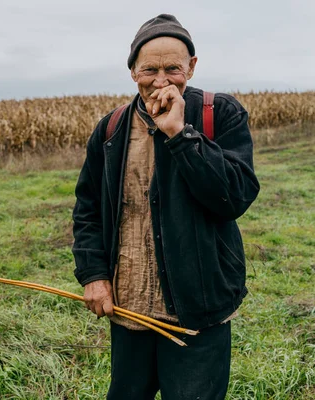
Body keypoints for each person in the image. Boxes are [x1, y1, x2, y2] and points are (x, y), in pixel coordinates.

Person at [71, 14, 260, 400]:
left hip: (196, 313)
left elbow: (234, 197)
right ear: (132, 72)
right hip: (129, 309)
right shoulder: (112, 129)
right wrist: (93, 274)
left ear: (191, 66)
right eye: (150, 69)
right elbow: (88, 207)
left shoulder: (217, 114)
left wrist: (179, 133)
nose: (161, 80)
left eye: (173, 68)